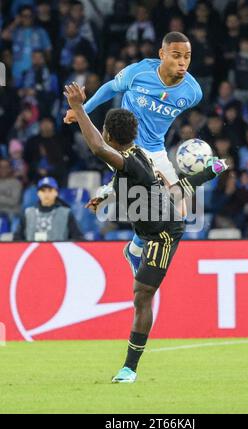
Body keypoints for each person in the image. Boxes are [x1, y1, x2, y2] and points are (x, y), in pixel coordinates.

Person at [63, 82, 228, 383]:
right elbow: (163, 186)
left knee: (142, 296)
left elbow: (98, 147)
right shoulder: (137, 156)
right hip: (153, 219)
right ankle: (133, 249)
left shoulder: (127, 161)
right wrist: (105, 194)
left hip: (163, 235)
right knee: (163, 202)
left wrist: (77, 108)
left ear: (110, 135)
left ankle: (129, 368)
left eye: (104, 132)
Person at [64, 31, 203, 275]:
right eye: (176, 55)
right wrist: (81, 110)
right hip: (123, 144)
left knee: (179, 213)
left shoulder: (192, 93)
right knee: (150, 191)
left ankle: (135, 248)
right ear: (162, 54)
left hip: (156, 149)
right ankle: (118, 186)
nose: (182, 62)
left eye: (187, 57)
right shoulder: (138, 72)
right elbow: (110, 88)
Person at [14, 177, 82, 242]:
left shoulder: (66, 213)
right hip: (33, 252)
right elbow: (17, 239)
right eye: (43, 191)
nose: (46, 194)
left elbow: (78, 238)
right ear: (38, 193)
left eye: (50, 190)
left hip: (56, 252)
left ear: (56, 193)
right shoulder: (28, 213)